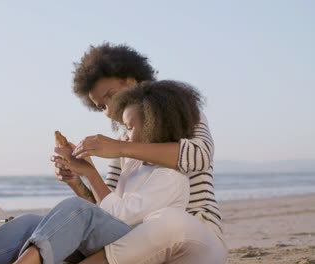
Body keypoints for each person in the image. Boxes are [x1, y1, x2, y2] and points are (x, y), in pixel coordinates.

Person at [0, 80, 202, 264]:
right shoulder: (135, 166)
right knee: (30, 223)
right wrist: (82, 173)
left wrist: (92, 175)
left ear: (155, 125)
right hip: (119, 240)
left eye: (128, 127)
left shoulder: (171, 176)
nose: (124, 135)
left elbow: (121, 219)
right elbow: (104, 213)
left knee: (76, 210)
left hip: (139, 251)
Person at [52, 43, 226, 263]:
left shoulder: (181, 111)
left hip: (192, 237)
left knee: (169, 222)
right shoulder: (122, 144)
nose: (109, 109)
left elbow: (199, 156)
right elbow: (111, 212)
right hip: (142, 246)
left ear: (134, 81)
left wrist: (120, 148)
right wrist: (79, 179)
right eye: (101, 106)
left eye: (111, 95)